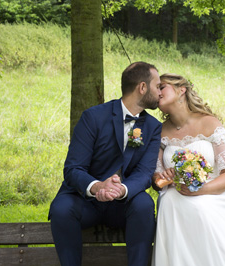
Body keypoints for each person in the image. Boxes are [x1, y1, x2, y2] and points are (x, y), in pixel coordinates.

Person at [49, 61, 162, 266]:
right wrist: (98, 186)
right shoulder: (93, 117)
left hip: (122, 204)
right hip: (86, 202)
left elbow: (145, 173)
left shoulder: (154, 127)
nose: (160, 92)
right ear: (142, 88)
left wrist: (122, 191)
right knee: (61, 208)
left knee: (144, 204)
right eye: (157, 86)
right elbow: (73, 168)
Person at [151, 74, 225, 266]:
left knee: (196, 206)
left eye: (162, 87)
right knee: (169, 200)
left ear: (182, 90)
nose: (157, 92)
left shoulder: (210, 123)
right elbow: (158, 179)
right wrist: (164, 177)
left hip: (216, 193)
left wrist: (201, 189)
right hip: (177, 193)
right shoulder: (159, 132)